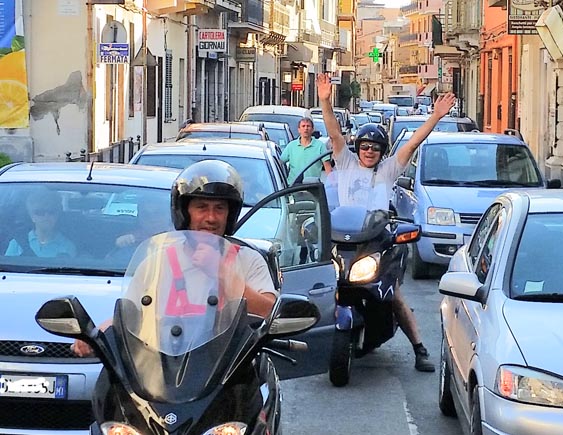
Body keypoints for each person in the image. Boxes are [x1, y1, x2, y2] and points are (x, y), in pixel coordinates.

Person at [317, 72, 456, 372]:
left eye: (375, 148)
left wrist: (435, 116)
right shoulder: (345, 162)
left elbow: (414, 142)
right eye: (365, 146)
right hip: (343, 238)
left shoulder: (389, 170)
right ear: (357, 148)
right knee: (319, 283)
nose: (369, 151)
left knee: (392, 293)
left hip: (377, 240)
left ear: (382, 152)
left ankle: (419, 348)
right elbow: (334, 133)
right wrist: (325, 101)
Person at [72, 160, 278, 357]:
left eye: (219, 208)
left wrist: (220, 271)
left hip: (233, 372)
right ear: (184, 212)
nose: (211, 218)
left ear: (229, 215)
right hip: (162, 372)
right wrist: (97, 335)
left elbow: (269, 312)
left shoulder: (248, 260)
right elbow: (131, 314)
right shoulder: (158, 263)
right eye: (201, 207)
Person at [5, 189, 76, 258]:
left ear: (57, 215)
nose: (46, 216)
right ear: (32, 216)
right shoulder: (16, 244)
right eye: (40, 212)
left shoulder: (67, 247)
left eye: (51, 211)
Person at [281, 117, 332, 185]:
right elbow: (280, 162)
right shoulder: (291, 146)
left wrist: (332, 184)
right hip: (293, 186)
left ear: (312, 129)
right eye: (303, 126)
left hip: (312, 186)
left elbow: (327, 167)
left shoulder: (320, 146)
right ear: (299, 130)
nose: (306, 128)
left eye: (308, 126)